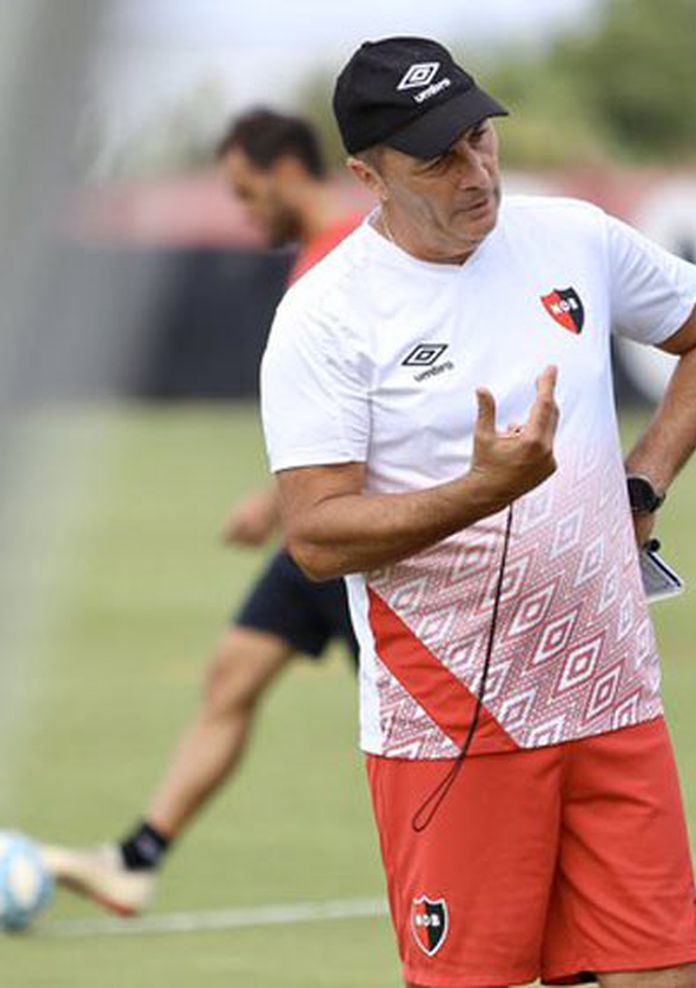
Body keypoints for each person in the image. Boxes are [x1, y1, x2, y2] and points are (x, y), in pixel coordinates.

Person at [259, 37, 696, 988]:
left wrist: (642, 483)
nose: (475, 171)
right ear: (368, 176)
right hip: (454, 724)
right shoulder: (327, 315)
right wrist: (480, 493)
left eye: (480, 138)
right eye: (437, 158)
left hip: (614, 694)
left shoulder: (574, 236)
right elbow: (316, 536)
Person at [42, 109, 365, 917]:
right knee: (232, 675)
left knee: (416, 731)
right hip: (314, 532)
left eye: (245, 190)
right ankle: (137, 858)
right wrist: (276, 501)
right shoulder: (313, 264)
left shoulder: (359, 261)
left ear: (288, 169)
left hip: (365, 538)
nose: (242, 209)